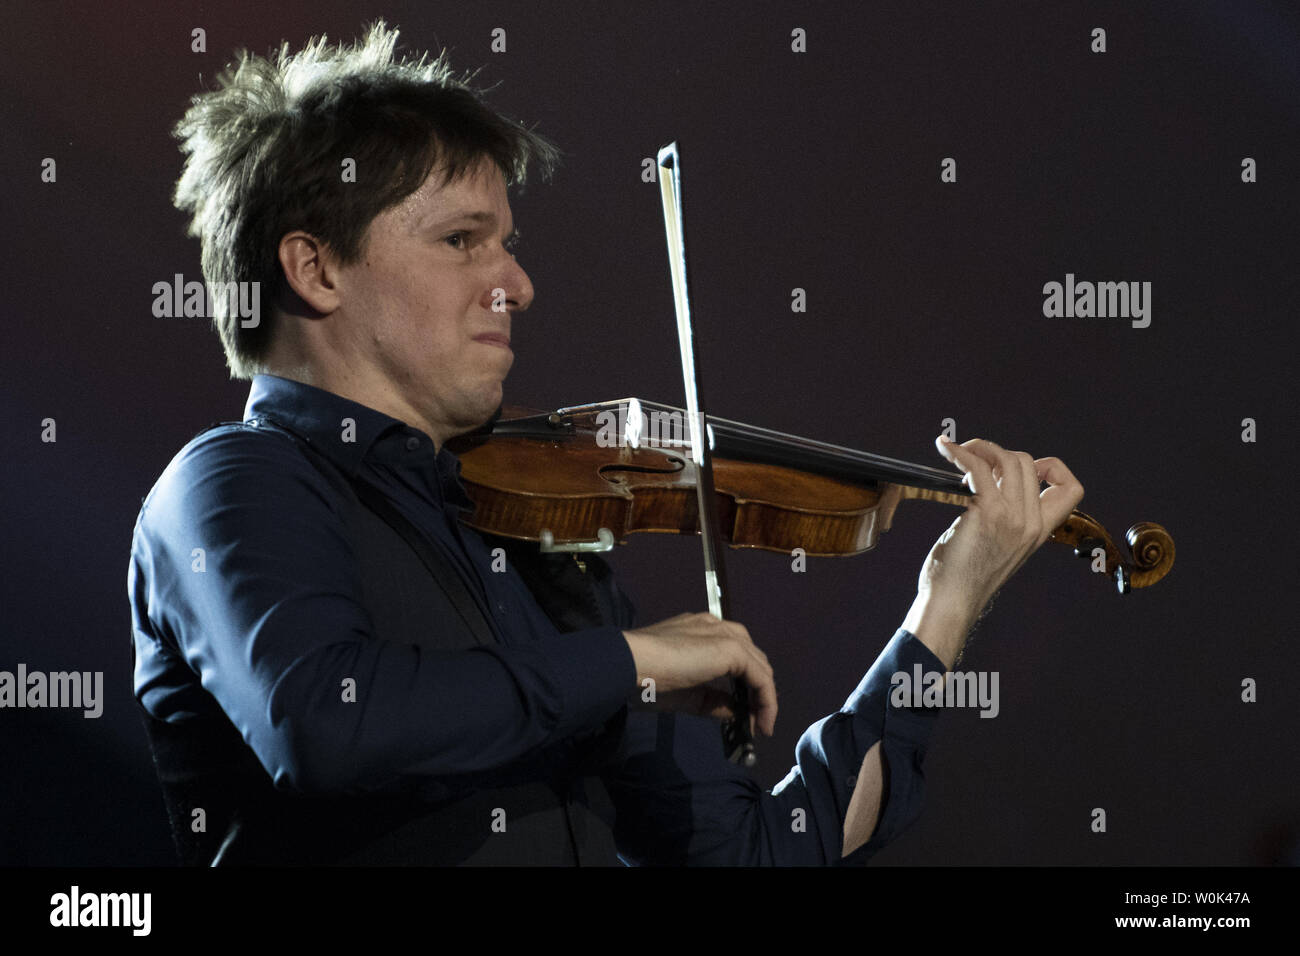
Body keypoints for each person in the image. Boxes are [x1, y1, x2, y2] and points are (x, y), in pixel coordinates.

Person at [128, 21, 1084, 866]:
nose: (518, 282)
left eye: (506, 242)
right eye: (464, 240)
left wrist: (947, 605)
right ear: (316, 268)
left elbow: (755, 854)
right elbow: (326, 723)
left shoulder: (536, 551)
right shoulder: (233, 485)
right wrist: (631, 661)